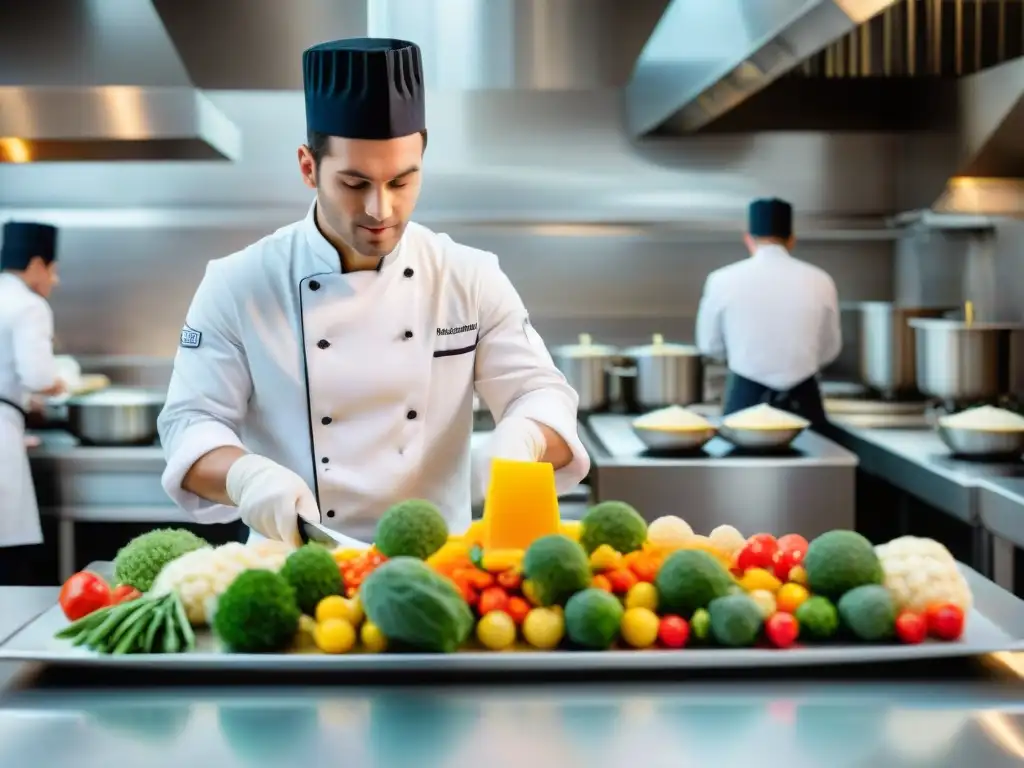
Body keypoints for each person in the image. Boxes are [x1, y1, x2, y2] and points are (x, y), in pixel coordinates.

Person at [157, 38, 590, 547]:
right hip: (295, 566)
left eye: (402, 182)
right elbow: (191, 422)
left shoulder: (468, 276)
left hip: (438, 573)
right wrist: (245, 477)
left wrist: (524, 438)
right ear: (308, 167)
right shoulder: (239, 283)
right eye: (354, 183)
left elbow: (541, 393)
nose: (381, 210)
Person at [694, 198, 841, 430]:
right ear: (791, 240)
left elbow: (709, 346)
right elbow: (830, 348)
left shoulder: (721, 279)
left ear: (748, 239)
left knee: (741, 464)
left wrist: (744, 358)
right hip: (804, 399)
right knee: (815, 462)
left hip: (745, 397)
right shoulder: (821, 280)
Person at [0, 221, 65, 585]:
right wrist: (60, 384)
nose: (54, 280)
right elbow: (39, 377)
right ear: (37, 264)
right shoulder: (29, 305)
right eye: (53, 270)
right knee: (7, 561)